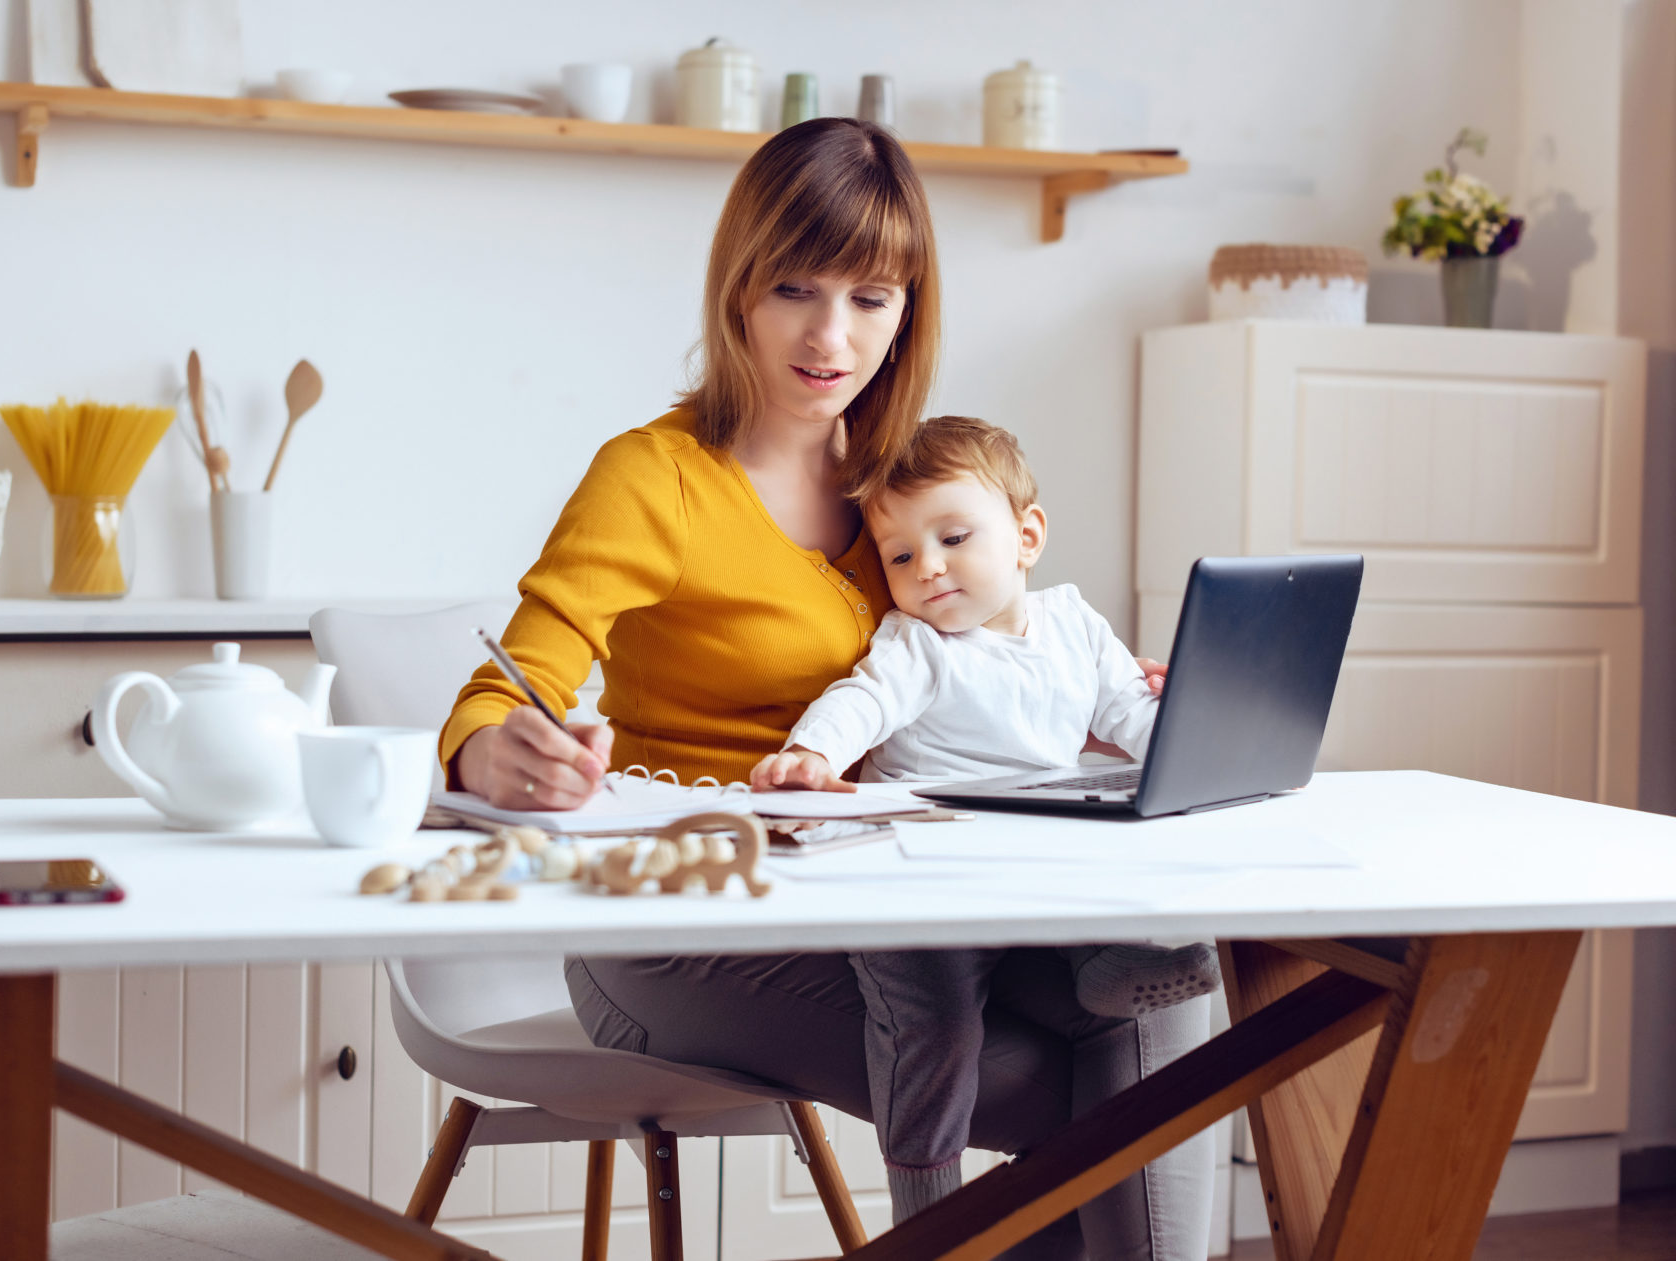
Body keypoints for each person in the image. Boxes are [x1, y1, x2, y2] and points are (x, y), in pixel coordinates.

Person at [440, 117, 1212, 1260]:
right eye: (796, 287)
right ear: (737, 285)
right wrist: (490, 749)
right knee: (1060, 1078)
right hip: (679, 923)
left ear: (910, 309)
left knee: (1170, 1005)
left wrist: (1103, 691)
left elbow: (994, 644)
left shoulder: (904, 491)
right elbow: (508, 684)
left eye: (872, 297)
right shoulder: (655, 480)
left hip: (906, 907)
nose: (830, 335)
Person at [750, 414, 1220, 1222]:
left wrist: (1194, 722)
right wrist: (811, 756)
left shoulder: (1076, 626)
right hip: (926, 880)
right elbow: (861, 700)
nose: (926, 568)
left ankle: (1116, 966)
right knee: (929, 1029)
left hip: (1037, 860)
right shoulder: (918, 644)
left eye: (954, 536)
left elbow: (1140, 731)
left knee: (1124, 879)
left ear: (1027, 535)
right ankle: (927, 1198)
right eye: (899, 555)